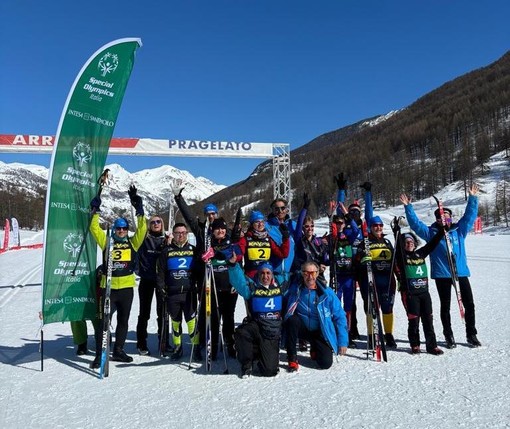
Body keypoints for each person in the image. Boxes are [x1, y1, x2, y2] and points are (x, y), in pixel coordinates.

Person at [401, 184, 481, 348]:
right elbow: (416, 225)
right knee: (445, 306)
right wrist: (408, 208)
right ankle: (448, 335)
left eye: (446, 216)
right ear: (437, 219)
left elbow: (470, 217)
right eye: (440, 216)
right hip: (442, 275)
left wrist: (473, 198)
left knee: (469, 304)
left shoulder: (459, 230)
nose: (443, 218)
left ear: (450, 218)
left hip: (460, 273)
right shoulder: (431, 233)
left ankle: (471, 334)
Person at [89, 185, 147, 366]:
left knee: (123, 321)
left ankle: (119, 350)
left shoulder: (133, 242)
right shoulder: (107, 241)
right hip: (109, 289)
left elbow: (143, 230)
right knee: (103, 323)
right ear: (114, 229)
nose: (121, 231)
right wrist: (95, 211)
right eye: (118, 228)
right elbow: (94, 228)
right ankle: (100, 353)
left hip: (127, 290)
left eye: (124, 228)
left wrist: (139, 210)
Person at [392, 208, 444, 355]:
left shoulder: (420, 253)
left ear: (415, 243)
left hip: (424, 293)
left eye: (411, 242)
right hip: (410, 294)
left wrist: (442, 230)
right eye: (406, 242)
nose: (409, 244)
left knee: (428, 320)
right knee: (413, 320)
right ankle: (415, 345)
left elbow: (432, 243)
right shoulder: (401, 258)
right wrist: (397, 231)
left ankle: (431, 346)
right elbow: (399, 248)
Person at [284, 261, 348, 372]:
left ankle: (315, 347)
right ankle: (292, 358)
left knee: (325, 364)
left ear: (317, 273)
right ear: (302, 274)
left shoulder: (326, 292)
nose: (309, 277)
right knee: (292, 320)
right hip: (302, 328)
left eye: (313, 273)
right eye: (306, 273)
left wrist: (342, 341)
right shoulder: (295, 289)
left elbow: (340, 316)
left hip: (319, 331)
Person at [228, 260, 284, 378]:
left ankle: (261, 353)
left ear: (272, 274)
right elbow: (239, 282)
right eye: (262, 273)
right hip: (257, 326)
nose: (265, 276)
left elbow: (296, 275)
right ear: (258, 274)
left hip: (272, 331)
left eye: (268, 273)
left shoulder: (280, 285)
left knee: (269, 371)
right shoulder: (252, 287)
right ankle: (247, 363)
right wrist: (233, 266)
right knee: (242, 332)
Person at [156, 222, 201, 361]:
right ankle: (178, 347)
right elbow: (160, 271)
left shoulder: (193, 250)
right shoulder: (166, 252)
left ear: (186, 234)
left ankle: (196, 347)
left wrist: (199, 287)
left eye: (183, 232)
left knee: (192, 322)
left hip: (189, 293)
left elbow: (199, 272)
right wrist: (161, 286)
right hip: (173, 293)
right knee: (175, 322)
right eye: (177, 233)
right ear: (173, 234)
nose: (180, 235)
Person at [355, 215, 398, 349]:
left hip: (387, 282)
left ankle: (389, 335)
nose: (378, 228)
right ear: (370, 228)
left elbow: (395, 262)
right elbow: (357, 262)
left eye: (380, 225)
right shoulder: (365, 243)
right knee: (371, 310)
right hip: (371, 282)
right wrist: (362, 260)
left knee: (388, 309)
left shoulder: (387, 242)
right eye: (375, 226)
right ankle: (372, 335)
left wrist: (400, 277)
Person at [200, 217, 239, 359]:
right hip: (213, 289)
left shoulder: (231, 243)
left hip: (229, 288)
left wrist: (236, 284)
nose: (220, 231)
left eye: (222, 228)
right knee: (214, 319)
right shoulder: (208, 244)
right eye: (217, 229)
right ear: (213, 231)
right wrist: (206, 257)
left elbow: (237, 262)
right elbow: (203, 260)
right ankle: (213, 347)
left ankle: (230, 345)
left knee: (229, 319)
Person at [135, 215, 171, 356]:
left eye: (158, 221)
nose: (156, 224)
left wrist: (169, 244)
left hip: (161, 281)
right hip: (147, 280)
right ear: (149, 225)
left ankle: (163, 341)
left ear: (162, 224)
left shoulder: (166, 240)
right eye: (153, 222)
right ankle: (141, 343)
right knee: (144, 313)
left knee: (162, 312)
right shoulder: (145, 239)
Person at [330, 204, 360, 348]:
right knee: (336, 306)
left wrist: (347, 215)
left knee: (348, 307)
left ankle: (347, 334)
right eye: (337, 222)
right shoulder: (332, 237)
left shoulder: (348, 235)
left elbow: (356, 229)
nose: (339, 224)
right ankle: (336, 333)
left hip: (349, 276)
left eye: (341, 222)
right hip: (337, 276)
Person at [237, 210, 290, 280]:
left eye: (262, 222)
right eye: (257, 222)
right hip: (251, 278)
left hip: (266, 277)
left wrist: (286, 238)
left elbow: (283, 254)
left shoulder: (268, 238)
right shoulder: (246, 239)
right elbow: (237, 256)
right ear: (252, 224)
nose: (260, 224)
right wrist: (236, 241)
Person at [266, 198, 297, 285]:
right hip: (273, 275)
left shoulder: (292, 225)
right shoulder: (266, 226)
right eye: (276, 208)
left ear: (287, 209)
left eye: (282, 208)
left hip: (291, 274)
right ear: (272, 210)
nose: (280, 211)